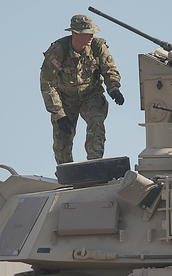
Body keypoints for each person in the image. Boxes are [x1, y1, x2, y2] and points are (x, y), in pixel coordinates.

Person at [40, 14, 124, 165]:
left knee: (96, 122)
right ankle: (67, 171)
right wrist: (59, 114)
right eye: (87, 33)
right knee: (62, 139)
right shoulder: (58, 51)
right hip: (65, 99)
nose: (91, 36)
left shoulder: (98, 47)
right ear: (75, 34)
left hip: (90, 95)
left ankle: (94, 164)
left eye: (92, 32)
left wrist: (114, 88)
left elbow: (109, 69)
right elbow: (47, 83)